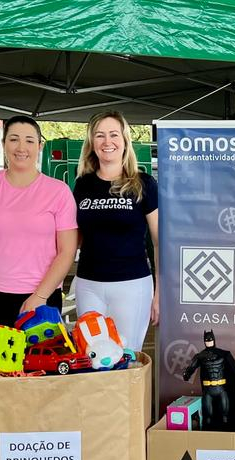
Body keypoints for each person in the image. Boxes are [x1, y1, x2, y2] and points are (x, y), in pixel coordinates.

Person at [0, 115, 78, 327]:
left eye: (29, 140)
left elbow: (67, 251)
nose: (21, 147)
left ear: (39, 146)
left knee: (41, 351)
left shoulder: (59, 191)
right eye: (14, 139)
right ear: (3, 144)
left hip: (42, 297)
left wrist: (40, 296)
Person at [72, 110, 158, 351]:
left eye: (113, 134)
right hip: (88, 285)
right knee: (91, 356)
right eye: (100, 135)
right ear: (92, 143)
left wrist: (160, 293)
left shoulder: (144, 184)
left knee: (127, 357)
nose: (107, 141)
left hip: (131, 285)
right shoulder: (82, 184)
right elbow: (73, 238)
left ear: (125, 141)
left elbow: (159, 242)